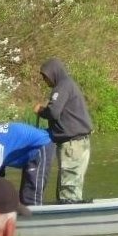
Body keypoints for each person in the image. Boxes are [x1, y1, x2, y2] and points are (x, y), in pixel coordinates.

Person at [34, 58, 93, 203]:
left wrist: (41, 111)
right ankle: (74, 212)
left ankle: (68, 218)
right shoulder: (68, 84)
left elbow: (53, 112)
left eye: (44, 76)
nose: (44, 80)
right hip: (79, 143)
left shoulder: (62, 86)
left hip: (72, 146)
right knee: (72, 186)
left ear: (53, 73)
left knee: (68, 191)